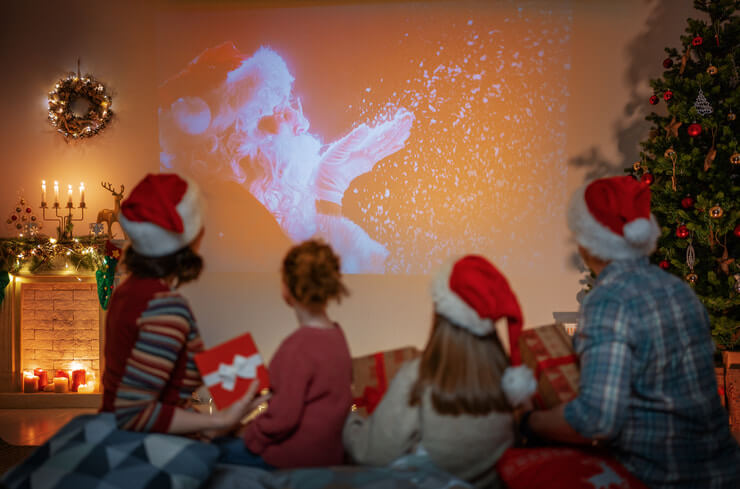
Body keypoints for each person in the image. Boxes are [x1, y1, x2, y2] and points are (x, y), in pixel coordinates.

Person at [520, 175, 740, 488]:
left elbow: (597, 420)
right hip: (723, 471)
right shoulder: (678, 289)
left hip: (658, 477)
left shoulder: (609, 301)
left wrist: (530, 421)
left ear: (588, 241)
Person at [159, 42, 415, 273]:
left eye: (293, 102)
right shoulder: (229, 215)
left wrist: (327, 196)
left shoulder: (258, 207)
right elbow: (311, 292)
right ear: (237, 142)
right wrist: (327, 202)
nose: (301, 122)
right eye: (281, 111)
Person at [342, 255, 537, 489]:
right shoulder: (507, 378)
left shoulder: (417, 378)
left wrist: (347, 418)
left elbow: (371, 453)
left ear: (440, 314)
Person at [101, 173, 258, 435]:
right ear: (194, 237)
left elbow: (166, 369)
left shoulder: (129, 291)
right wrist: (218, 423)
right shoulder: (166, 307)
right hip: (145, 448)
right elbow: (132, 412)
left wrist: (253, 372)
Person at [222, 239, 353, 468]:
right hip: (328, 453)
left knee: (212, 450)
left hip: (293, 456)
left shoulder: (295, 348)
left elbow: (282, 418)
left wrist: (251, 434)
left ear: (286, 289)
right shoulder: (337, 337)